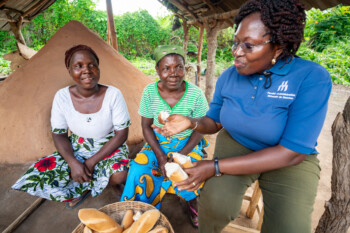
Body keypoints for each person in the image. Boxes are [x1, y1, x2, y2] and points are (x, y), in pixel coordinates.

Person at [153, 1, 332, 232]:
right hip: (238, 143)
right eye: (236, 42)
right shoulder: (230, 75)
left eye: (248, 46)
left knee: (290, 226)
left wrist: (215, 166)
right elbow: (214, 121)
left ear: (278, 47)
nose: (236, 52)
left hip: (289, 159)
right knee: (215, 205)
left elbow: (292, 152)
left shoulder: (310, 77)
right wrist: (192, 122)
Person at [12, 45, 131, 209]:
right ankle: (83, 185)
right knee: (41, 174)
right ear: (69, 71)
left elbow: (121, 134)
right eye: (78, 66)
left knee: (119, 176)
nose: (87, 71)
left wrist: (90, 163)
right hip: (77, 147)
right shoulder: (62, 97)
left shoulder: (113, 94)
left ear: (98, 67)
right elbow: (59, 135)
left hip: (109, 146)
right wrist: (73, 162)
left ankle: (95, 182)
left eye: (92, 65)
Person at [121, 45, 209, 228]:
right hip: (157, 144)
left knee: (190, 171)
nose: (173, 73)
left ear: (185, 69)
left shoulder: (195, 94)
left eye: (179, 67)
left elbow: (201, 128)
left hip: (188, 143)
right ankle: (141, 212)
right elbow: (146, 127)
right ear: (157, 71)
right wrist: (161, 156)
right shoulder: (149, 92)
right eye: (166, 68)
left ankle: (193, 204)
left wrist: (180, 155)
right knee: (138, 169)